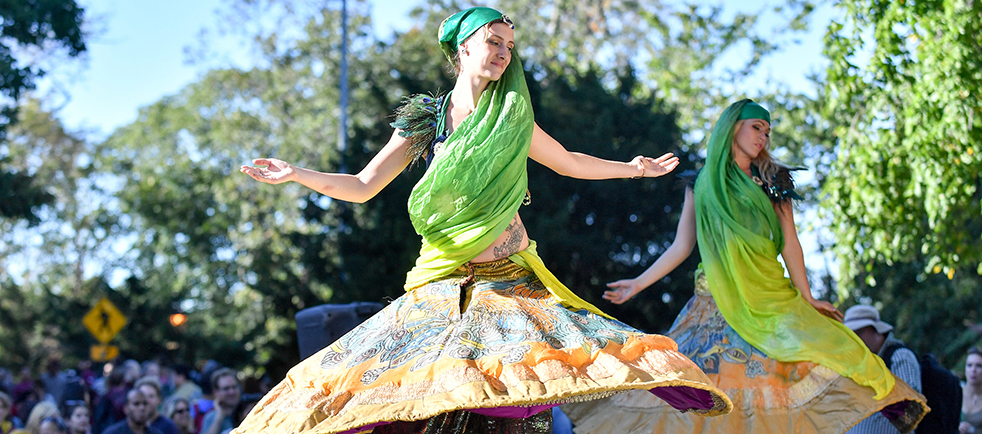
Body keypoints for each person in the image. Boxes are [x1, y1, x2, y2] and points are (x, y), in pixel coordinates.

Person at [236, 6, 732, 433]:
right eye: (494, 42)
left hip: (513, 289)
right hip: (442, 286)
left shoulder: (511, 119)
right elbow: (363, 186)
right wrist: (297, 173)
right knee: (424, 406)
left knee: (512, 409)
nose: (503, 54)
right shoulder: (426, 122)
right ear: (463, 48)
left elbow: (569, 161)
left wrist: (634, 170)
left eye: (510, 47)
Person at [563, 99, 929, 433]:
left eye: (768, 131)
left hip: (771, 298)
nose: (763, 136)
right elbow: (682, 246)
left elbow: (790, 244)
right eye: (757, 126)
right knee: (701, 397)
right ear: (731, 126)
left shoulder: (774, 182)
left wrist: (809, 297)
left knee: (832, 354)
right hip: (713, 307)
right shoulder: (700, 183)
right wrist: (639, 283)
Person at [843, 305, 921, 434]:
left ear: (877, 330)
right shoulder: (861, 364)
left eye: (859, 333)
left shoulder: (900, 357)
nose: (854, 340)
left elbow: (911, 415)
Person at [962, 347, 982, 433]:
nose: (973, 370)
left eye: (979, 366)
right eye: (969, 365)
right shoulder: (955, 394)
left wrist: (972, 431)